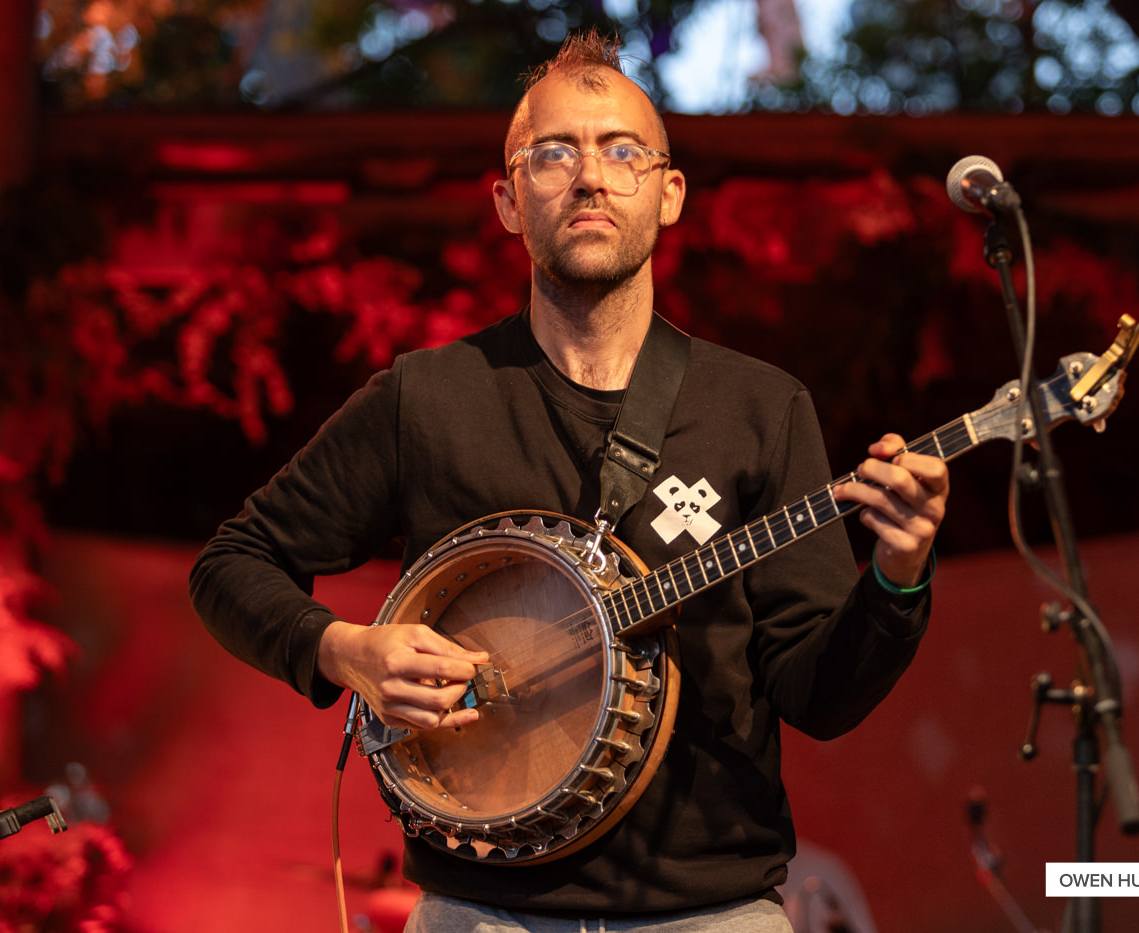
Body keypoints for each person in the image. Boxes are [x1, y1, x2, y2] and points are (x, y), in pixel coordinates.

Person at [189, 29, 949, 933]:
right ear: (510, 201)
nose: (590, 176)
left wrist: (897, 579)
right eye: (555, 153)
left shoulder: (760, 407)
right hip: (479, 911)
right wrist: (344, 650)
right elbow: (231, 563)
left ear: (667, 195)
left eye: (622, 151)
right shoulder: (426, 398)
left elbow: (820, 697)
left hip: (712, 912)